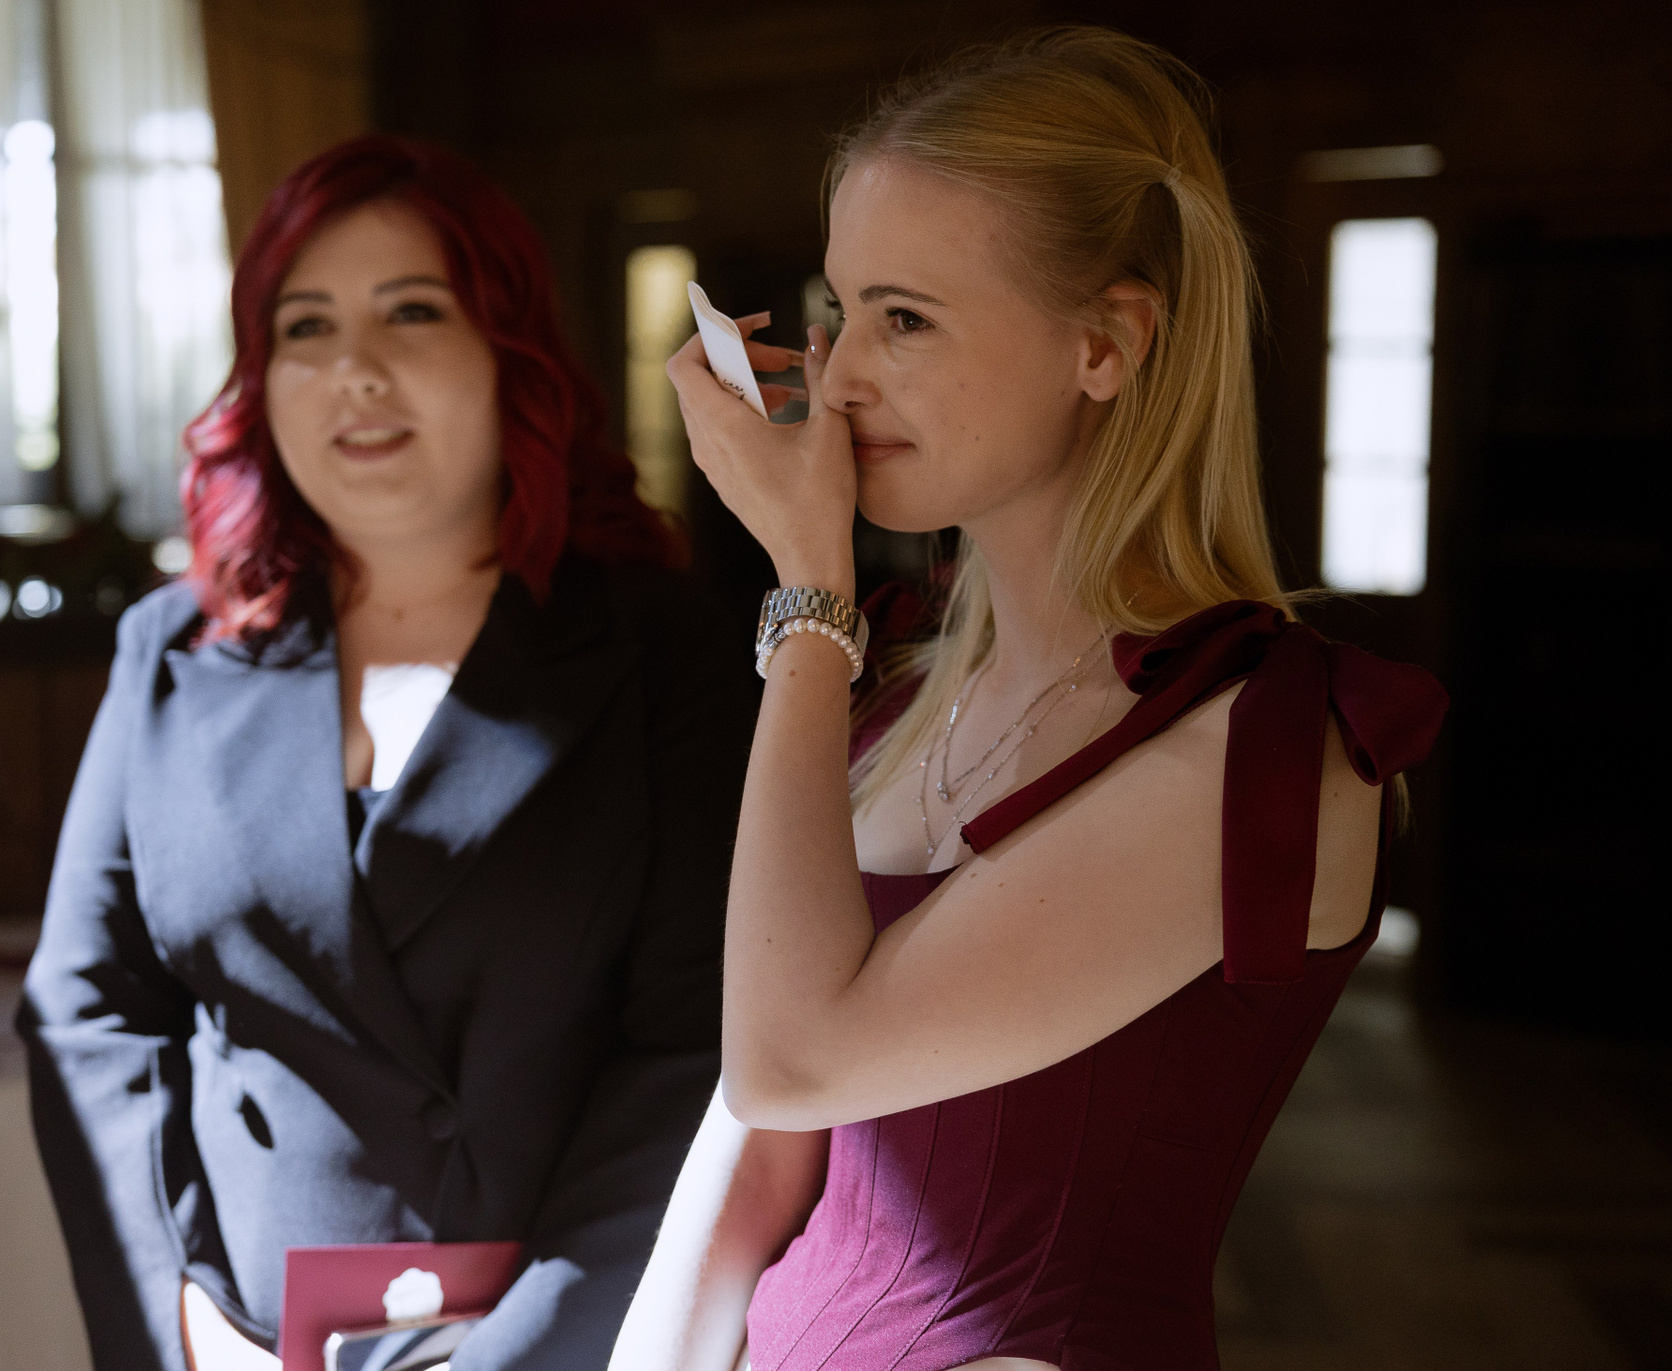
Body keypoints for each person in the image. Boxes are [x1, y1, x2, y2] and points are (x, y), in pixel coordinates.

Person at [611, 27, 1446, 1371]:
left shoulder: (1267, 750)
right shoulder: (895, 697)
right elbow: (753, 1157)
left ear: (1106, 344)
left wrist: (809, 592)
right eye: (840, 310)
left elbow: (794, 1056)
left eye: (906, 318)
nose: (840, 378)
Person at [20, 134, 761, 1371]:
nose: (354, 369)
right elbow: (85, 1006)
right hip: (237, 1343)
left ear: (511, 352)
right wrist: (182, 1328)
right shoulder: (171, 649)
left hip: (567, 1336)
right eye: (305, 327)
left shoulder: (659, 649)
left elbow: (702, 1048)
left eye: (412, 311)